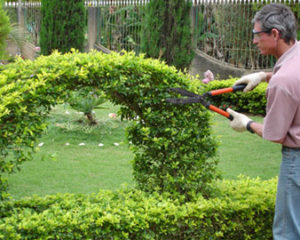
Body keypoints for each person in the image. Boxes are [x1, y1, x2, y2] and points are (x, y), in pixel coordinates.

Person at [226, 3, 300, 239]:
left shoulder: (283, 81)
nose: (254, 41)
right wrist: (264, 76)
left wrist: (246, 123)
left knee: (287, 232)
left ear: (275, 34)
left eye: (257, 35)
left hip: (296, 161)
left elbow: (274, 133)